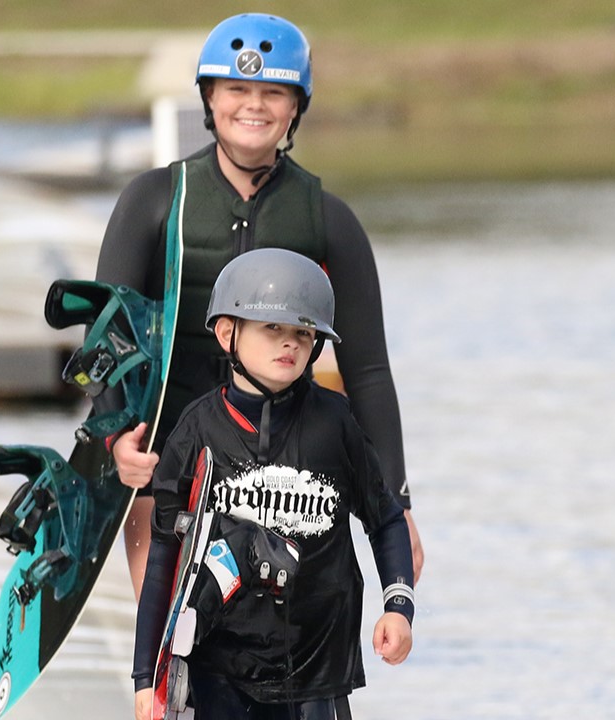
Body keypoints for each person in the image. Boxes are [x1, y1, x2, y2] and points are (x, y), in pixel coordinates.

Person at [94, 12, 423, 599]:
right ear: (210, 97)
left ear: (296, 107)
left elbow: (368, 372)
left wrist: (395, 507)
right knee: (174, 651)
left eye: (274, 92)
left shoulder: (329, 220)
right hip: (169, 466)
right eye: (238, 89)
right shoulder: (151, 202)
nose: (255, 105)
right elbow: (105, 343)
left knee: (276, 658)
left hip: (289, 476)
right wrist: (115, 440)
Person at [132, 249, 414, 720]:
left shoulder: (335, 424)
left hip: (316, 674)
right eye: (273, 329)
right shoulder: (197, 430)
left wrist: (398, 605)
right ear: (227, 333)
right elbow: (164, 556)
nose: (290, 345)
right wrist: (147, 676)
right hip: (218, 671)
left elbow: (385, 520)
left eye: (303, 333)